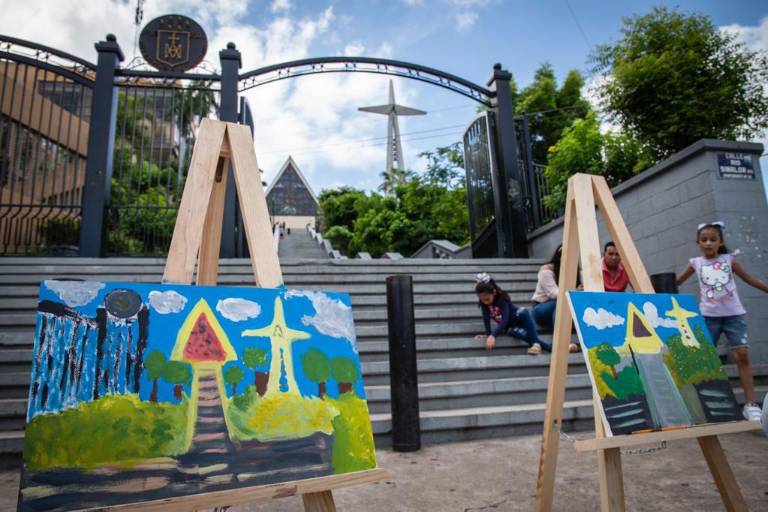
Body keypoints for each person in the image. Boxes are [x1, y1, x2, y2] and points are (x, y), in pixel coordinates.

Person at [676, 221, 768, 422]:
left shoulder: (729, 259)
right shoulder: (695, 263)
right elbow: (677, 282)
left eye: (713, 239)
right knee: (705, 358)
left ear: (721, 242)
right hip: (709, 317)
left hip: (734, 315)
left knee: (742, 355)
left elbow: (749, 278)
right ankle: (705, 403)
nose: (708, 243)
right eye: (704, 240)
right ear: (698, 243)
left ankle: (751, 405)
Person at [474, 273, 551, 355]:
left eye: (487, 299)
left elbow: (505, 319)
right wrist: (488, 334)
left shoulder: (502, 299)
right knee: (517, 333)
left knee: (523, 312)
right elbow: (486, 319)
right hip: (511, 327)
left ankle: (536, 344)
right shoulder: (484, 304)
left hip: (520, 318)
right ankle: (549, 348)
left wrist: (493, 335)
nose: (485, 302)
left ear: (494, 292)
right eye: (482, 300)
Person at [531, 245, 579, 353]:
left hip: (564, 308)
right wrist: (575, 291)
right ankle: (562, 342)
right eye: (565, 257)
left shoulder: (575, 271)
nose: (568, 260)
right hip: (541, 308)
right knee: (560, 303)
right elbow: (554, 293)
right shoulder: (546, 271)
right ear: (558, 257)